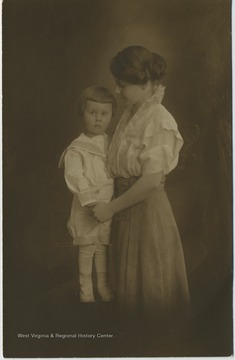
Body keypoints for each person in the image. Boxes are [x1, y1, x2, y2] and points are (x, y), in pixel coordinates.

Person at [93, 46, 190, 325]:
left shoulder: (158, 119)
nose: (117, 89)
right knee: (127, 290)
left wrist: (110, 208)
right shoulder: (133, 112)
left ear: (146, 84)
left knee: (148, 290)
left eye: (122, 85)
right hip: (125, 208)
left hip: (145, 211)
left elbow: (149, 181)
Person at [59, 86, 116, 303]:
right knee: (87, 246)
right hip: (87, 205)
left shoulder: (111, 143)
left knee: (102, 245)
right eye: (93, 113)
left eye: (104, 114)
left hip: (108, 204)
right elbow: (75, 176)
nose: (98, 119)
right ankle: (86, 289)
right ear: (82, 113)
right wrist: (90, 201)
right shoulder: (77, 148)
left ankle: (102, 285)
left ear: (111, 115)